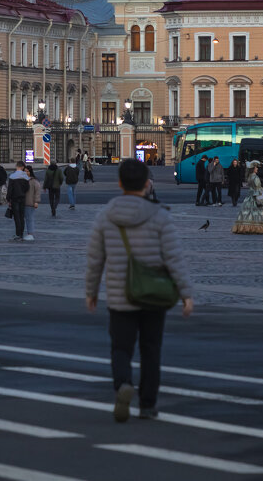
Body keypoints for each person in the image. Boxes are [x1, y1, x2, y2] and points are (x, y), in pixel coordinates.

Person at [85, 158, 194, 422]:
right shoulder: (160, 215)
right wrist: (186, 293)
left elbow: (95, 259)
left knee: (121, 348)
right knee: (151, 349)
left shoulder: (106, 215)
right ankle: (148, 405)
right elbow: (174, 257)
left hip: (120, 295)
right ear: (147, 184)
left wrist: (92, 292)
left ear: (120, 183)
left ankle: (123, 383)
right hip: (154, 294)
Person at [231, 161, 263, 235]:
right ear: (253, 168)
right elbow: (257, 188)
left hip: (249, 198)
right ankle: (256, 228)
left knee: (248, 213)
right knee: (256, 213)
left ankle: (246, 227)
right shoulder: (255, 177)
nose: (257, 169)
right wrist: (262, 191)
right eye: (256, 167)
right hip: (255, 197)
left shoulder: (249, 177)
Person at [7, 161, 31, 241]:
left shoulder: (12, 176)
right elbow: (27, 188)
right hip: (22, 197)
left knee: (16, 217)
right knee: (21, 216)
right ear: (23, 167)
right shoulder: (25, 177)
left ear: (17, 166)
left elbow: (10, 189)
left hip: (14, 198)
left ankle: (18, 234)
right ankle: (21, 234)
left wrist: (8, 199)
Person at [23, 165, 41, 241]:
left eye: (27, 171)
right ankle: (25, 233)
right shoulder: (22, 179)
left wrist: (36, 201)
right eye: (25, 171)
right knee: (23, 219)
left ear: (31, 172)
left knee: (29, 219)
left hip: (30, 203)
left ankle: (30, 233)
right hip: (22, 202)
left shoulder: (34, 181)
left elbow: (37, 192)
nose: (26, 173)